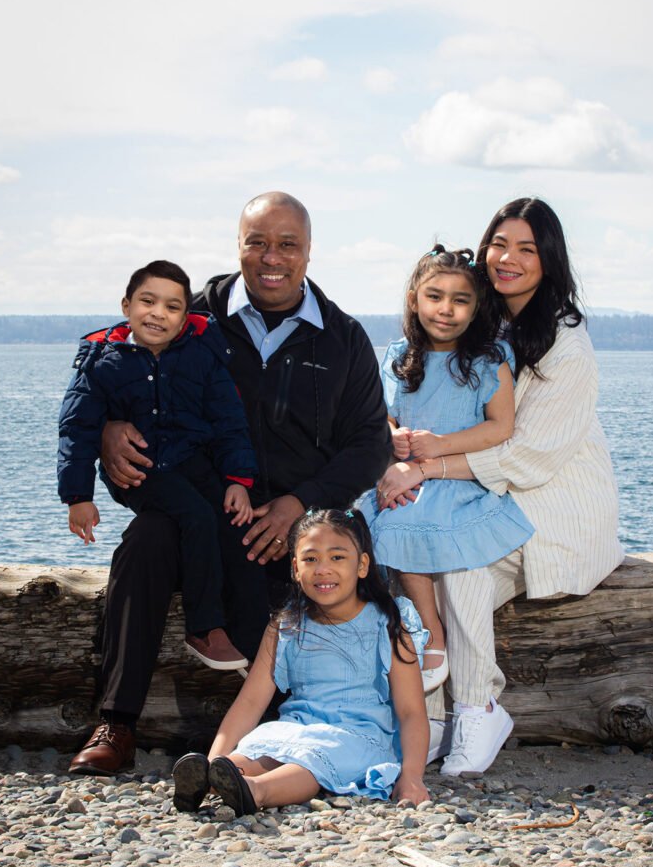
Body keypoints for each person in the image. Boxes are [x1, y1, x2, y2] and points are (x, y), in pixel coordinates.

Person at [68, 193, 392, 776]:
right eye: (257, 242)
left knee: (314, 584)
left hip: (298, 523)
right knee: (143, 544)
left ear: (309, 251)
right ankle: (116, 722)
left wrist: (300, 505)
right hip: (199, 505)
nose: (272, 257)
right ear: (238, 246)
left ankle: (293, 739)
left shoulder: (342, 337)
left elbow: (370, 444)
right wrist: (109, 431)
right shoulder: (190, 315)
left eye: (287, 244)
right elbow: (113, 371)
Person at [380, 199, 623, 777]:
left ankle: (476, 708)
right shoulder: (484, 324)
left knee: (461, 562)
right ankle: (429, 721)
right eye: (500, 243)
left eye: (527, 249)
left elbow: (526, 454)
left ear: (549, 260)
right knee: (406, 554)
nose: (508, 258)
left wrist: (425, 467)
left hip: (554, 505)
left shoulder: (566, 343)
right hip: (487, 494)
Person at [58, 260, 262, 672]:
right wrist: (78, 497)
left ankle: (251, 638)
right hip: (140, 471)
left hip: (190, 461)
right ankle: (203, 628)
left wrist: (238, 480)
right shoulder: (102, 362)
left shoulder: (201, 355)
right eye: (147, 302)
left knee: (235, 525)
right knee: (195, 516)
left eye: (172, 307)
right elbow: (76, 429)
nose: (158, 314)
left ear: (185, 317)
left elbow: (229, 421)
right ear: (126, 306)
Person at [170, 508, 430, 816]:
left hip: (357, 736)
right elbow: (250, 702)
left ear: (362, 565)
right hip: (296, 727)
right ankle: (212, 778)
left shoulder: (387, 624)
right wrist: (217, 757)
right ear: (295, 568)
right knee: (259, 748)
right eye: (310, 559)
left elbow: (411, 711)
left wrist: (412, 776)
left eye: (337, 557)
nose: (323, 569)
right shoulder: (287, 625)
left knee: (310, 762)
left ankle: (257, 791)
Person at [358, 245, 533, 694]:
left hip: (456, 479)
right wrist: (393, 436)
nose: (446, 309)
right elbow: (384, 415)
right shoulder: (398, 356)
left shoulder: (488, 360)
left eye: (460, 300)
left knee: (410, 523)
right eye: (434, 296)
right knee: (373, 520)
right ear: (414, 299)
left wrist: (438, 446)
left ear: (476, 308)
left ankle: (433, 635)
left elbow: (501, 427)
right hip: (407, 474)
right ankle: (404, 628)